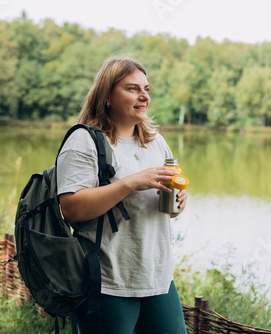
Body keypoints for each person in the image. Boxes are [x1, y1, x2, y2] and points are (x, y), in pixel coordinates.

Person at [57, 57, 188, 334]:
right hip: (108, 280)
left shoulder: (155, 141)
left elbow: (163, 206)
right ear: (106, 96)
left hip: (157, 276)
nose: (144, 96)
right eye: (132, 89)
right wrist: (130, 183)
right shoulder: (85, 141)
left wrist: (178, 201)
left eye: (146, 89)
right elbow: (70, 208)